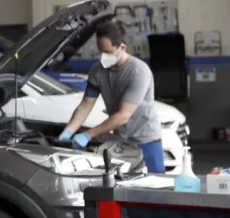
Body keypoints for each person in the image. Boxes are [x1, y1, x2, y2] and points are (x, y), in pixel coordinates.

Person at [58, 21, 165, 172]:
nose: (103, 57)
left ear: (122, 47)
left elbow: (123, 116)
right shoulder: (97, 70)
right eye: (100, 52)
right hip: (120, 141)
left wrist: (88, 135)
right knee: (121, 188)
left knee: (155, 187)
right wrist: (68, 131)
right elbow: (85, 105)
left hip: (146, 140)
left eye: (108, 52)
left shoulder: (138, 72)